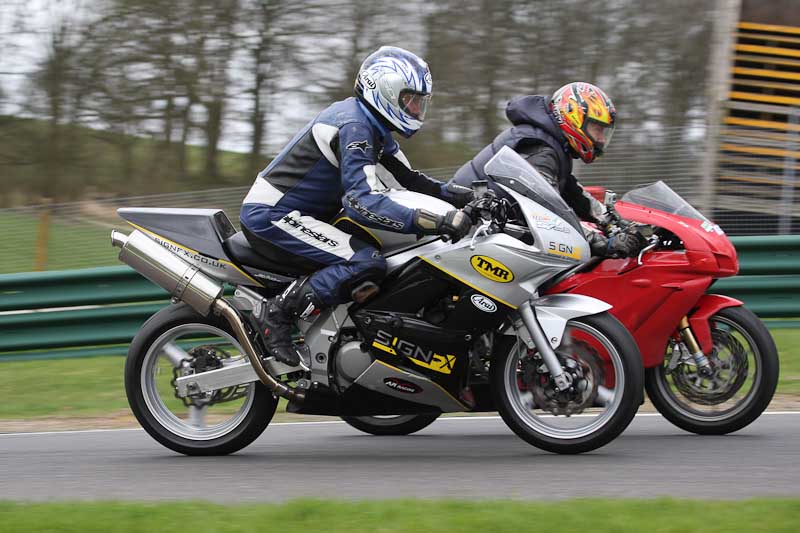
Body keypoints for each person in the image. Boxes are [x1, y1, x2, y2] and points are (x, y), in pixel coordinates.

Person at [240, 46, 474, 366]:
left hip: (306, 216)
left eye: (420, 101)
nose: (417, 108)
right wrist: (433, 221)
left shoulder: (372, 127)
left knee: (387, 260)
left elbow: (410, 180)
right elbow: (359, 201)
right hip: (273, 216)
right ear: (385, 91)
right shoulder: (355, 126)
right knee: (365, 262)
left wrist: (466, 197)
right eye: (411, 99)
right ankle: (277, 315)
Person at [450, 82, 643, 257]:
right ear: (573, 118)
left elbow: (574, 195)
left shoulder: (552, 144)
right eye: (597, 129)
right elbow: (548, 210)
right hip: (465, 229)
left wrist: (616, 221)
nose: (601, 139)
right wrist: (601, 243)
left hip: (483, 226)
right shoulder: (541, 151)